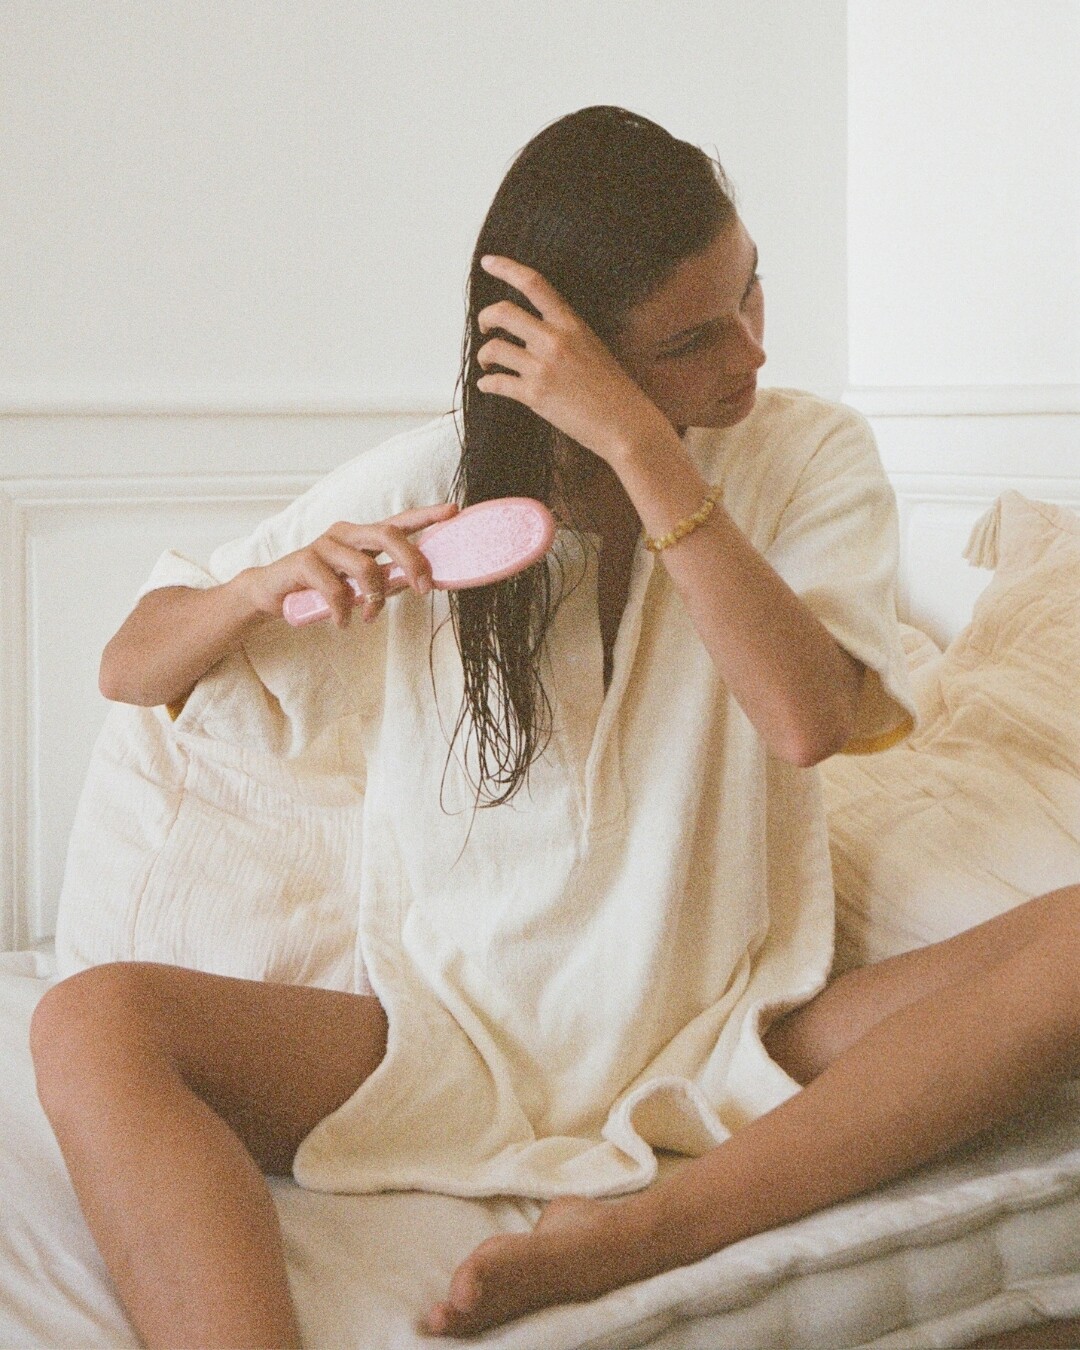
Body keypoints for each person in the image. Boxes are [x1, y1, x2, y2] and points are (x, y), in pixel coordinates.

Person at [28, 106, 1080, 1347]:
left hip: (730, 1023)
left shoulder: (805, 454)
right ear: (560, 358)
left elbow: (807, 721)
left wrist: (641, 442)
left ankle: (651, 1232)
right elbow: (130, 663)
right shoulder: (437, 491)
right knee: (89, 1020)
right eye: (691, 339)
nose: (751, 349)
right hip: (448, 1037)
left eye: (751, 292)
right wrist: (260, 589)